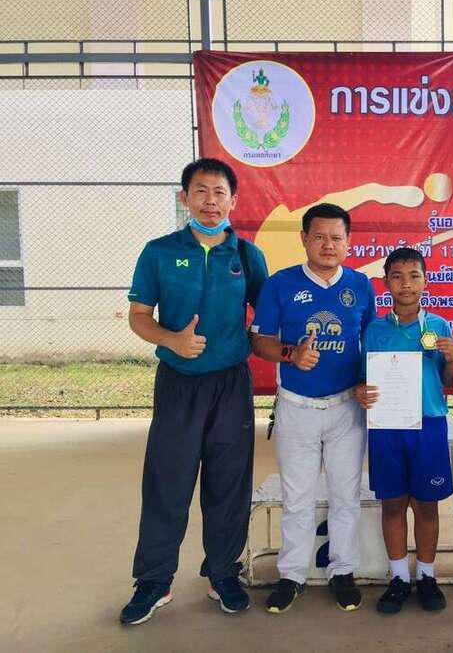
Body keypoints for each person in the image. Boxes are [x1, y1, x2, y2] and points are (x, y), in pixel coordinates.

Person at [120, 158, 268, 625]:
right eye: (201, 191)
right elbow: (139, 316)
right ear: (185, 197)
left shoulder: (247, 256)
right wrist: (172, 340)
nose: (210, 201)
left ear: (233, 201)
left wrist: (291, 349)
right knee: (167, 482)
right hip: (178, 384)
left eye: (220, 192)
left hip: (231, 384)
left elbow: (266, 317)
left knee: (229, 482)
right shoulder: (159, 252)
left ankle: (222, 573)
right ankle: (153, 581)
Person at [250, 203, 376, 613]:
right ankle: (292, 575)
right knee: (298, 498)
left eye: (336, 238)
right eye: (319, 237)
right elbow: (259, 341)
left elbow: (371, 343)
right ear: (303, 238)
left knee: (345, 495)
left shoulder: (360, 285)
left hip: (346, 409)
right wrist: (291, 354)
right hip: (296, 408)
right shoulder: (280, 284)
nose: (328, 245)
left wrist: (366, 381)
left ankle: (343, 571)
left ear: (348, 242)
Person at [354, 247, 453, 614]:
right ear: (386, 283)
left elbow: (449, 380)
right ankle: (398, 577)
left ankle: (426, 576)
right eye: (397, 277)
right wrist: (360, 390)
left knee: (427, 505)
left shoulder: (439, 327)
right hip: (387, 426)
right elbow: (363, 378)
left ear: (425, 281)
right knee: (393, 503)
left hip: (428, 425)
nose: (406, 284)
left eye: (414, 276)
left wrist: (452, 358)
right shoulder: (375, 330)